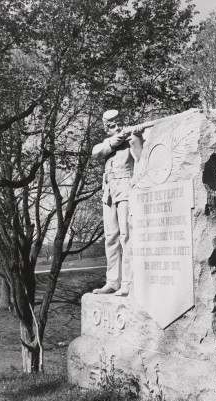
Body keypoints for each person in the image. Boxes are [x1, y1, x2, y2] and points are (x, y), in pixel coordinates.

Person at [91, 109, 143, 296]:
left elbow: (141, 159)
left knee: (126, 236)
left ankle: (128, 282)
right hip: (109, 191)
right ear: (107, 128)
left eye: (119, 123)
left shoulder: (130, 138)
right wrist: (115, 141)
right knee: (111, 237)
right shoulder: (108, 143)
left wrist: (135, 139)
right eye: (112, 126)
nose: (117, 127)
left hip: (126, 189)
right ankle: (113, 281)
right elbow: (96, 153)